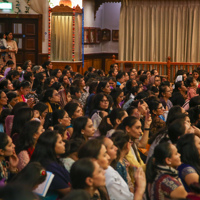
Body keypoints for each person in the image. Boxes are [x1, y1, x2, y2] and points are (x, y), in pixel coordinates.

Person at [30, 130, 71, 199]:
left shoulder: (52, 161)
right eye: (60, 142)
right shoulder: (49, 167)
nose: (64, 143)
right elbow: (68, 192)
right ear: (50, 146)